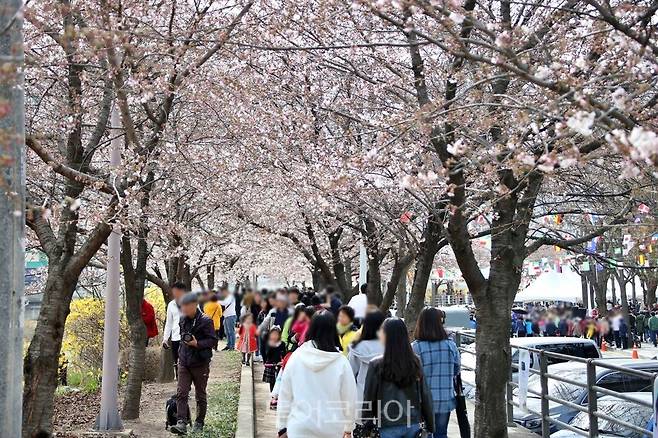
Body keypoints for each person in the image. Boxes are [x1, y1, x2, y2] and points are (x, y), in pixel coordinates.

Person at [276, 312, 357, 438]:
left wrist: (282, 426)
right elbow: (350, 398)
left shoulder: (297, 357)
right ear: (333, 330)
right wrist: (348, 428)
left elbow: (285, 394)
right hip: (332, 429)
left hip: (299, 427)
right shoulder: (341, 363)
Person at [363, 318, 435, 438]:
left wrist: (367, 423)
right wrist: (430, 425)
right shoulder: (415, 361)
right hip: (412, 422)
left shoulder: (376, 364)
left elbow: (369, 397)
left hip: (387, 423)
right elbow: (425, 394)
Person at [169, 293, 217, 435]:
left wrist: (197, 343)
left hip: (200, 363)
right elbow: (183, 336)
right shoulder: (183, 319)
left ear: (194, 305)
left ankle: (199, 422)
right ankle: (181, 422)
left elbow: (213, 341)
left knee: (200, 394)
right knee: (181, 393)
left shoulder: (206, 321)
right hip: (184, 361)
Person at [412, 307, 461, 438]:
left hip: (423, 401)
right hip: (445, 398)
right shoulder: (450, 345)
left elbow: (411, 375)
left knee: (424, 433)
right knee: (441, 433)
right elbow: (456, 370)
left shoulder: (416, 347)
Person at [347, 310, 385, 435]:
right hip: (386, 399)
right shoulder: (389, 346)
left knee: (362, 432)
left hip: (361, 398)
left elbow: (350, 374)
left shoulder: (357, 348)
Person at [163, 282, 186, 377]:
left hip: (188, 337)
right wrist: (165, 339)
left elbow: (199, 319)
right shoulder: (171, 305)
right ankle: (180, 388)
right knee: (177, 362)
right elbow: (169, 323)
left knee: (187, 362)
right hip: (176, 337)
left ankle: (186, 386)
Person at [263, 326, 287, 395]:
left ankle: (278, 394)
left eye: (276, 334)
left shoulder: (282, 344)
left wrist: (282, 361)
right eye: (273, 334)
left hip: (279, 364)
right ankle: (272, 394)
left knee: (279, 380)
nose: (274, 336)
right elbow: (267, 355)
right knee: (272, 381)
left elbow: (284, 354)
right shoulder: (268, 344)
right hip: (271, 365)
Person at [220, 286, 237, 350]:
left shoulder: (230, 297)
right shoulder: (227, 297)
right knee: (227, 332)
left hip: (231, 316)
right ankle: (228, 345)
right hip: (226, 316)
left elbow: (224, 303)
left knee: (231, 332)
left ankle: (232, 346)